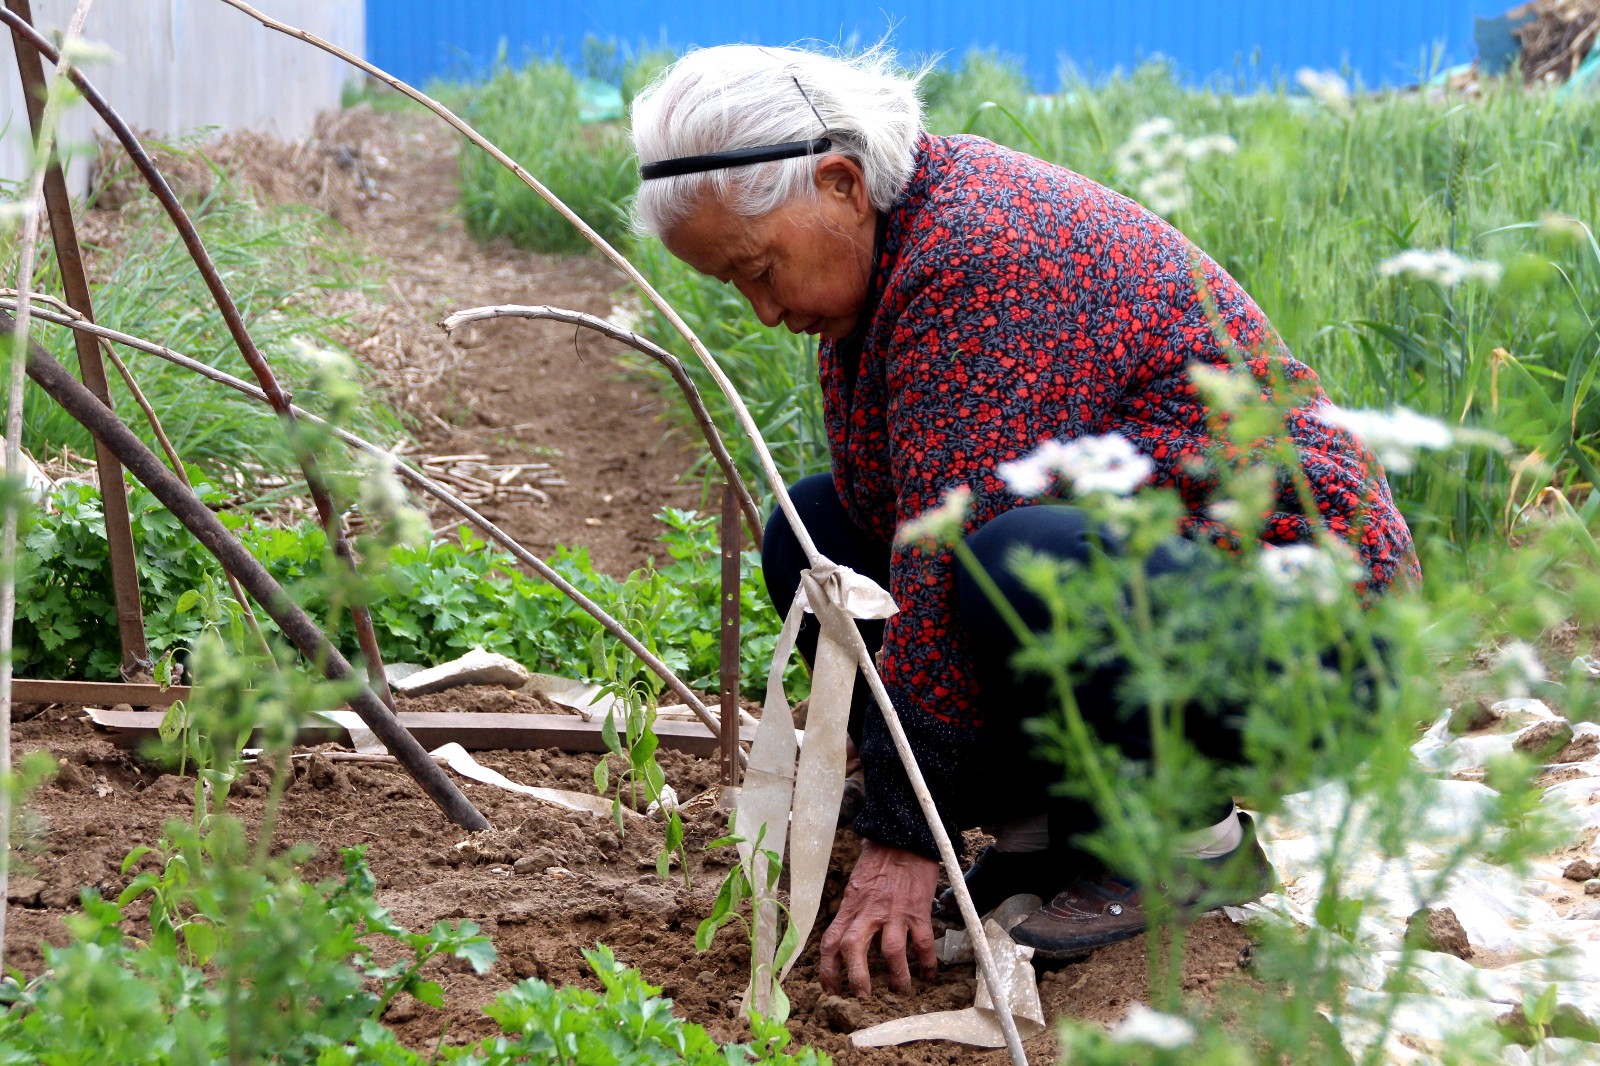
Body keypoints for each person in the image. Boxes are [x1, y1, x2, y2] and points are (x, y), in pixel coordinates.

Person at [630, 44, 1418, 998]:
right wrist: (915, 795)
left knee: (1018, 555)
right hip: (1167, 585)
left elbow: (942, 550)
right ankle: (1047, 824)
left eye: (761, 269)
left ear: (838, 183)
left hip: (1311, 635)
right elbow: (895, 517)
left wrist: (904, 835)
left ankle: (1186, 839)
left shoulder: (982, 251)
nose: (761, 311)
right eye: (733, 287)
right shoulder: (892, 249)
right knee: (818, 531)